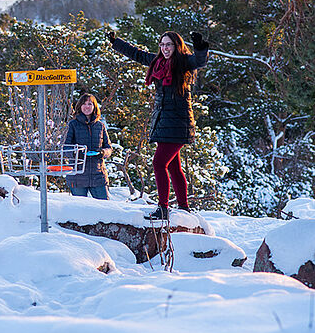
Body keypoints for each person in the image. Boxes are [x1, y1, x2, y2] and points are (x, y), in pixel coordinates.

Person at [108, 30, 209, 219]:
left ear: (176, 46)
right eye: (162, 44)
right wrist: (116, 42)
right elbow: (137, 54)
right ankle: (183, 206)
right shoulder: (157, 62)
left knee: (159, 163)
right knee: (173, 167)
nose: (165, 48)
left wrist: (200, 46)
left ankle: (163, 208)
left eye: (168, 44)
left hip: (179, 122)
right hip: (164, 121)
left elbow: (199, 61)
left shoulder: (183, 62)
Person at [63, 93, 113, 200]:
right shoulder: (72, 125)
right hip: (78, 177)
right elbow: (65, 148)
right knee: (80, 212)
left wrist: (102, 152)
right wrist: (77, 152)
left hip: (98, 176)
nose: (87, 107)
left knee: (105, 210)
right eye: (84, 104)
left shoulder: (100, 126)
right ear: (79, 106)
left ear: (94, 107)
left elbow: (109, 148)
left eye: (90, 104)